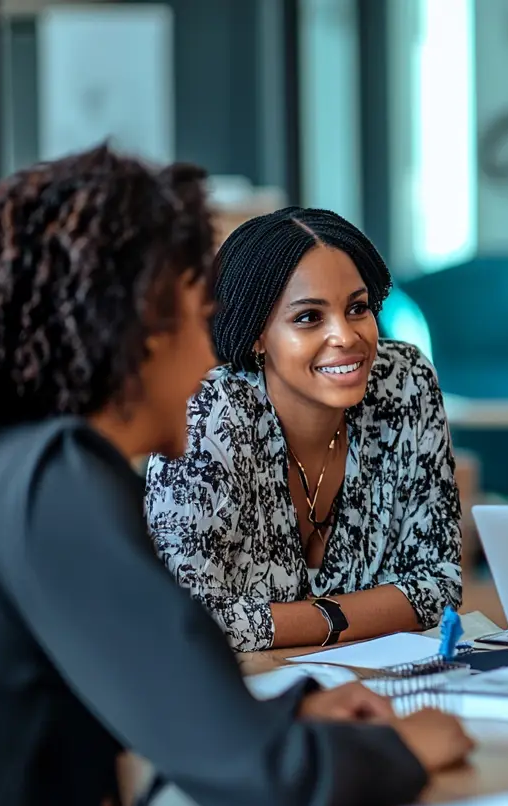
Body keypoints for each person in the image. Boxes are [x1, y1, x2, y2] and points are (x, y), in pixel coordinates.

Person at [0, 147, 471, 806]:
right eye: (201, 320)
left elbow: (162, 696)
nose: (214, 355)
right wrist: (409, 747)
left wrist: (290, 714)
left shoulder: (22, 465)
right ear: (137, 333)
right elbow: (268, 782)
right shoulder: (58, 481)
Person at [146, 207, 461, 652]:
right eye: (309, 317)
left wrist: (294, 622)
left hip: (375, 685)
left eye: (357, 308)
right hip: (237, 699)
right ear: (257, 335)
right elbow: (181, 616)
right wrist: (343, 616)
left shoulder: (404, 382)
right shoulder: (209, 416)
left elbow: (439, 584)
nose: (346, 337)